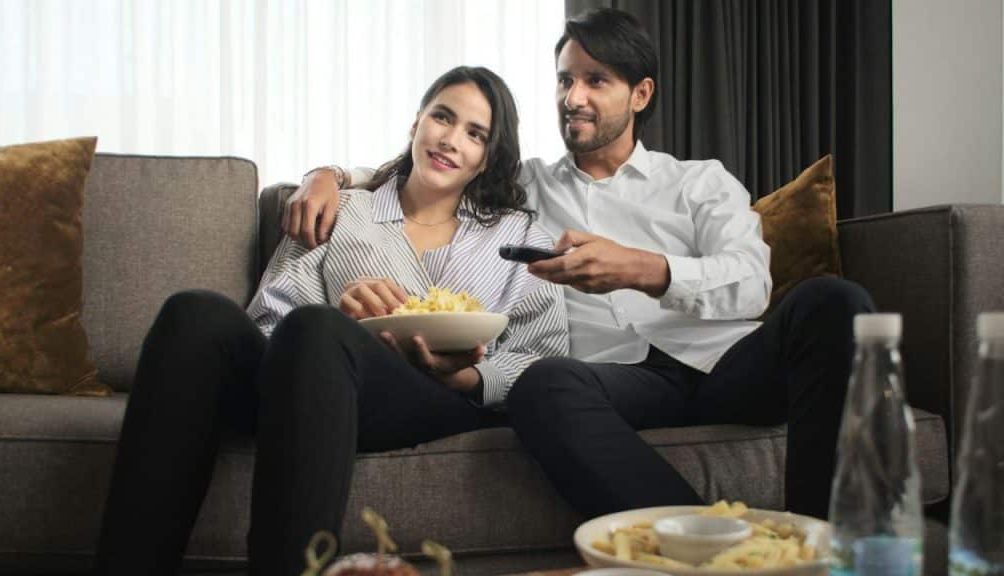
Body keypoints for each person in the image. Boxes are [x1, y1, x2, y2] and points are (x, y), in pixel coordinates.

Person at [284, 8, 875, 522]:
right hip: (614, 382)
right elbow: (437, 164)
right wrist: (331, 176)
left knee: (835, 303)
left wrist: (643, 269)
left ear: (639, 95)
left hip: (727, 364)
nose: (574, 98)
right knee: (542, 384)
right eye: (566, 80)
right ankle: (703, 545)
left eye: (596, 80)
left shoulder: (700, 181)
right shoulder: (524, 186)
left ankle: (820, 539)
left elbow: (752, 284)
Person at [94, 66, 568, 576]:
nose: (451, 140)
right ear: (416, 125)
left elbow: (544, 355)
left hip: (438, 396)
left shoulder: (518, 235)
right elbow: (270, 322)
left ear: (488, 158)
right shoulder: (340, 209)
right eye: (442, 118)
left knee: (317, 328)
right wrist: (344, 326)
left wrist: (469, 375)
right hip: (312, 384)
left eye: (475, 134)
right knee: (196, 314)